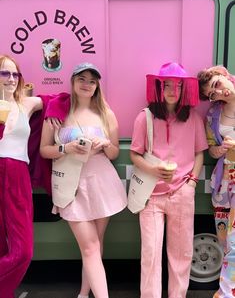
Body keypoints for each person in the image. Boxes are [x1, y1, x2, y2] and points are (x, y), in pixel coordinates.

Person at [40, 62, 127, 298]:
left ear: (97, 84)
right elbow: (44, 150)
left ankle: (83, 293)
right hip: (71, 184)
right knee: (90, 247)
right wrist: (65, 148)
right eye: (82, 79)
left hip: (101, 181)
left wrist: (106, 144)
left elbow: (114, 153)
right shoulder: (58, 111)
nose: (87, 84)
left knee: (95, 244)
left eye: (92, 80)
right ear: (73, 82)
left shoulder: (105, 112)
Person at [130, 62, 208, 298]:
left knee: (181, 254)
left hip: (182, 193)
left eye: (178, 85)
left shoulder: (193, 118)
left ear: (184, 89)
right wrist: (153, 171)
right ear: (159, 88)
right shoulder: (144, 118)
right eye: (167, 85)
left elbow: (199, 153)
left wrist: (192, 182)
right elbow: (134, 154)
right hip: (151, 196)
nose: (173, 90)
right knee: (151, 254)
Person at [0, 54, 44, 298]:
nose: (11, 79)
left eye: (15, 74)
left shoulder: (26, 104)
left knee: (23, 251)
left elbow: (58, 101)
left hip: (17, 174)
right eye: (5, 73)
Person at [198, 65, 235, 298]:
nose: (219, 93)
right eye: (213, 93)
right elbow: (211, 150)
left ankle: (225, 293)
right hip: (223, 184)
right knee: (225, 241)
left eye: (217, 84)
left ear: (224, 74)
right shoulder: (213, 114)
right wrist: (220, 148)